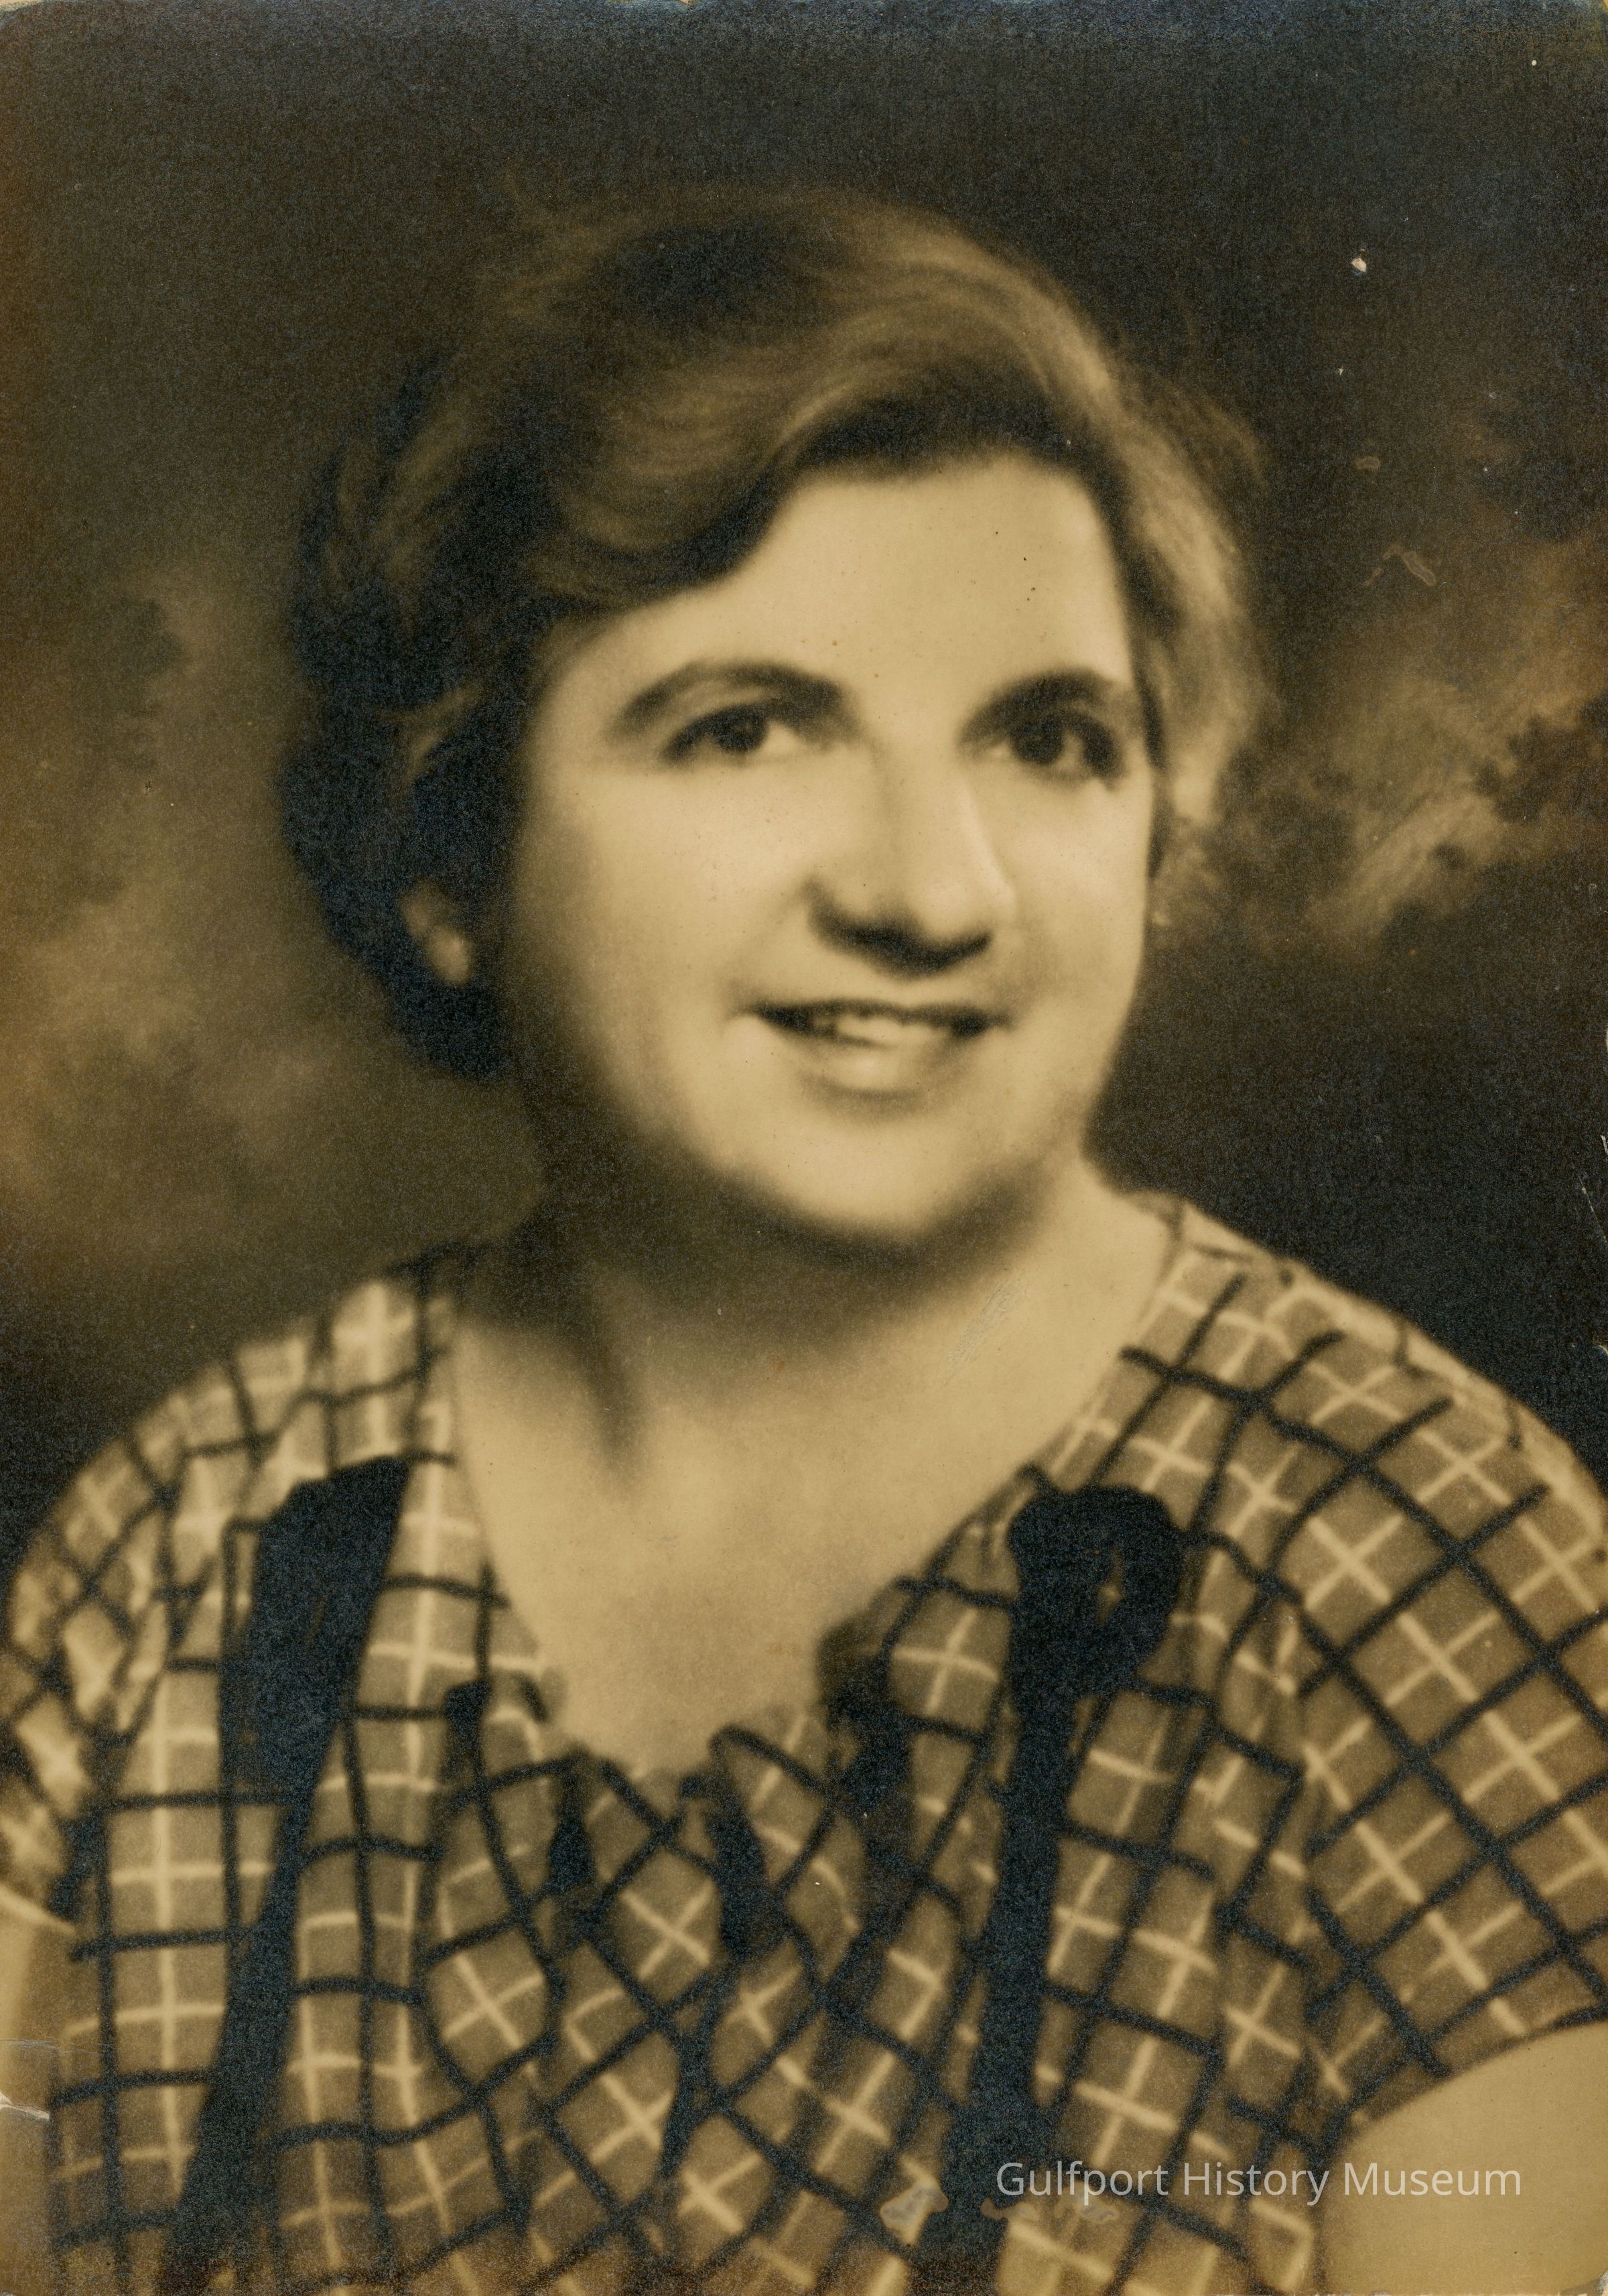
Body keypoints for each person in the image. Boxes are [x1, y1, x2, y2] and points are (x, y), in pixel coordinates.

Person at [1, 185, 1606, 2296]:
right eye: (749, 724)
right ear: (454, 855)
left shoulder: (1418, 1572)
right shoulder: (190, 1550)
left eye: (1048, 738)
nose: (934, 893)